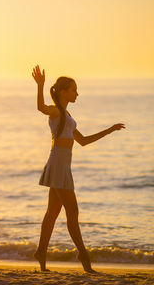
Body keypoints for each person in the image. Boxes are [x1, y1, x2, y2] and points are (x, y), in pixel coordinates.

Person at [32, 64, 125, 273]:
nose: (77, 93)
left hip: (62, 164)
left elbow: (82, 141)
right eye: (74, 89)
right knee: (72, 212)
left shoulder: (67, 114)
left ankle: (41, 252)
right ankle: (84, 257)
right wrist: (40, 86)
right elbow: (40, 107)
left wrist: (109, 130)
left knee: (52, 213)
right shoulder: (56, 111)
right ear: (63, 91)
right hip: (58, 163)